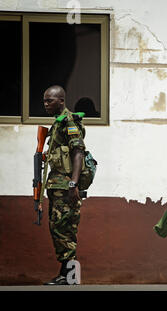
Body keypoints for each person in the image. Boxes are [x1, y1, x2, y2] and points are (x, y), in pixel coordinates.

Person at [42, 85, 86, 285]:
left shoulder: (69, 122)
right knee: (58, 228)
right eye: (44, 100)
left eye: (49, 100)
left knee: (63, 228)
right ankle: (67, 275)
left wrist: (73, 183)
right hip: (57, 185)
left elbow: (78, 152)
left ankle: (69, 276)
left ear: (61, 101)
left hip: (65, 186)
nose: (45, 104)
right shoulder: (58, 123)